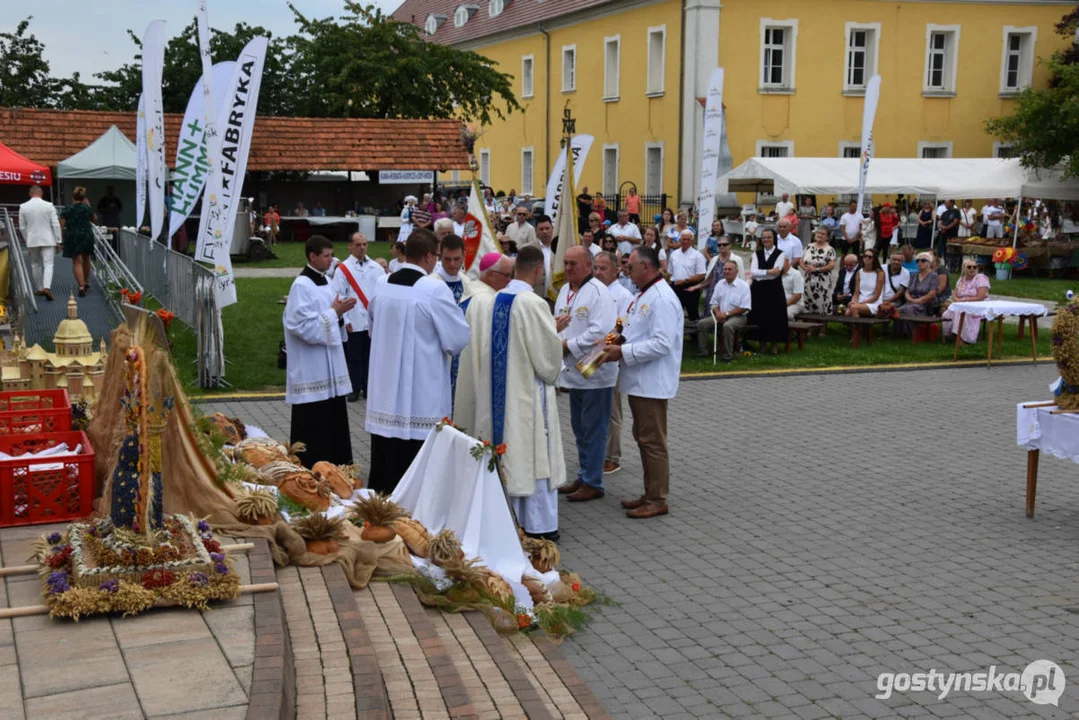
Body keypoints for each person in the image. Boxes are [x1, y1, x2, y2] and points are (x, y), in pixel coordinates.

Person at [454, 246, 564, 539]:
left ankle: (507, 517)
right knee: (533, 455)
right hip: (527, 393)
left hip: (502, 392)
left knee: (511, 453)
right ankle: (540, 525)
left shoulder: (497, 299)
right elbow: (547, 360)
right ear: (539, 270)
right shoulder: (532, 302)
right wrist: (556, 343)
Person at [366, 229, 471, 494]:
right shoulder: (433, 289)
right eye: (437, 256)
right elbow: (457, 339)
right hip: (420, 394)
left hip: (384, 391)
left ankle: (380, 508)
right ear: (427, 256)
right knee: (417, 467)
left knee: (385, 462)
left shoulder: (382, 283)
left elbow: (372, 326)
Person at [599, 246, 682, 519]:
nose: (626, 271)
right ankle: (649, 493)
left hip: (652, 382)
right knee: (644, 438)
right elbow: (633, 328)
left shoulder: (663, 298)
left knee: (653, 441)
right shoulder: (643, 294)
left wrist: (622, 352)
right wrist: (618, 339)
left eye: (630, 267)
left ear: (646, 267)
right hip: (639, 380)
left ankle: (658, 498)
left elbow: (661, 344)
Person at [283, 235, 355, 468]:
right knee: (314, 426)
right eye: (326, 255)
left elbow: (330, 316)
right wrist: (334, 313)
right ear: (312, 256)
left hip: (329, 369)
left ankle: (338, 470)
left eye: (331, 255)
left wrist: (341, 314)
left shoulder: (326, 281)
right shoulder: (301, 285)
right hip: (311, 371)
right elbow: (300, 326)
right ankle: (309, 470)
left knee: (333, 422)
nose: (331, 259)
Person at [554, 247, 617, 502]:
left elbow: (599, 331)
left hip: (595, 369)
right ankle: (583, 474)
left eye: (573, 264)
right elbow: (558, 321)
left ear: (587, 265)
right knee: (579, 426)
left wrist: (568, 345)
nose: (568, 268)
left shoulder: (599, 292)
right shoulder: (564, 290)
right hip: (572, 370)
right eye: (566, 263)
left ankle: (594, 481)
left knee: (594, 427)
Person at [593, 251, 632, 475]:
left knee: (612, 410)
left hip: (609, 357)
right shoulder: (591, 292)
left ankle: (612, 455)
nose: (598, 273)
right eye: (595, 268)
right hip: (590, 357)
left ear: (616, 269)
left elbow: (620, 327)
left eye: (603, 268)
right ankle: (595, 453)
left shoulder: (623, 295)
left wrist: (601, 348)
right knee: (593, 410)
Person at [333, 232, 384, 402]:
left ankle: (369, 388)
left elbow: (381, 293)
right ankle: (354, 388)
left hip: (372, 320)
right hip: (353, 318)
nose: (362, 247)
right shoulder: (343, 269)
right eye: (358, 244)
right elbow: (338, 295)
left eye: (364, 244)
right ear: (350, 246)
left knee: (371, 356)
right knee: (354, 356)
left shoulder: (376, 268)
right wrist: (345, 319)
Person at [696, 260, 751, 361]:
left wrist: (726, 314)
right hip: (720, 314)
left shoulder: (743, 286)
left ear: (736, 271)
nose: (726, 271)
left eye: (730, 269)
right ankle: (702, 352)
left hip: (738, 316)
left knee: (728, 326)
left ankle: (727, 355)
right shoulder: (720, 284)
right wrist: (718, 314)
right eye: (725, 269)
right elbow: (714, 302)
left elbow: (745, 307)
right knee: (702, 323)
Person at [749, 228, 789, 355]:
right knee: (760, 316)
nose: (766, 239)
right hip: (758, 291)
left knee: (774, 318)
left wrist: (762, 273)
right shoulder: (756, 254)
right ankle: (762, 345)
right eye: (764, 237)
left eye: (769, 237)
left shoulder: (781, 254)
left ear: (774, 238)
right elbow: (753, 273)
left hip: (774, 290)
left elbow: (777, 273)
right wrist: (768, 271)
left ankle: (774, 347)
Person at [19, 185, 61, 302]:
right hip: (48, 239)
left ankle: (39, 288)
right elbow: (55, 224)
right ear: (41, 193)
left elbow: (22, 227)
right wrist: (58, 240)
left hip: (32, 239)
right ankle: (47, 287)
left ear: (30, 193)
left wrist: (27, 239)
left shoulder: (23, 207)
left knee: (35, 264)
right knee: (48, 264)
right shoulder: (49, 205)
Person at [59, 186, 96, 296]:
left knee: (76, 261)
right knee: (86, 258)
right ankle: (86, 281)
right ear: (84, 198)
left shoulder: (67, 208)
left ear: (73, 197)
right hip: (86, 234)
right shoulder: (86, 208)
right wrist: (88, 205)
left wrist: (60, 239)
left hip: (72, 235)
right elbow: (94, 218)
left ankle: (81, 286)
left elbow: (61, 224)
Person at [942, 260, 991, 342]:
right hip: (962, 304)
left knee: (961, 312)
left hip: (978, 305)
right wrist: (957, 300)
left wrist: (964, 300)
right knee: (948, 313)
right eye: (969, 267)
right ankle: (947, 335)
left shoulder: (981, 278)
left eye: (974, 267)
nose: (972, 269)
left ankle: (961, 338)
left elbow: (981, 297)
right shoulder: (961, 279)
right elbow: (955, 294)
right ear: (964, 268)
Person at [667, 229, 706, 321]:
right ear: (680, 240)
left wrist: (686, 281)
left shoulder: (698, 256)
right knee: (674, 314)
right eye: (683, 239)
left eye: (688, 239)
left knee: (693, 315)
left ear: (692, 241)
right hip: (675, 287)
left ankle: (695, 335)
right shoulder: (674, 254)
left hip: (690, 288)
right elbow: (669, 272)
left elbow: (701, 275)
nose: (685, 241)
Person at [897, 252, 940, 332]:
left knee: (909, 309)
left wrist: (917, 301)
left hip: (926, 304)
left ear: (929, 263)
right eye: (917, 261)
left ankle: (912, 332)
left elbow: (932, 294)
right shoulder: (914, 275)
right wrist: (910, 299)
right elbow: (908, 291)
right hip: (912, 302)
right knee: (899, 310)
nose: (919, 262)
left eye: (923, 260)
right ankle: (900, 332)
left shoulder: (933, 276)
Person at [801, 228, 836, 315]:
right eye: (818, 233)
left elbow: (832, 265)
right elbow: (800, 260)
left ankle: (821, 325)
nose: (819, 235)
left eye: (823, 234)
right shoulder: (809, 246)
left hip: (822, 281)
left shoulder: (829, 249)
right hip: (808, 279)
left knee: (821, 303)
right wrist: (805, 268)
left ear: (827, 237)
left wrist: (816, 269)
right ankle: (808, 325)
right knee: (808, 302)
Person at [432, 234, 472, 303]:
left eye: (456, 259)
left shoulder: (467, 282)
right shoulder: (431, 282)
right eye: (447, 259)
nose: (452, 264)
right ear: (440, 256)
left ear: (464, 256)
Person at [846, 250, 884, 318]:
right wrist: (853, 302)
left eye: (870, 257)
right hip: (861, 301)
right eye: (865, 256)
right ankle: (860, 327)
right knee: (847, 312)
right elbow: (856, 292)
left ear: (874, 259)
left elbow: (876, 296)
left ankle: (858, 328)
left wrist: (859, 304)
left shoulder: (880, 273)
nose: (867, 258)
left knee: (854, 309)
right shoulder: (859, 272)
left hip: (874, 303)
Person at [879, 252, 910, 319]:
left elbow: (900, 292)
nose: (896, 262)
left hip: (894, 302)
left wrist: (887, 301)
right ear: (890, 260)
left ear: (902, 262)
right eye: (894, 259)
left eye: (899, 260)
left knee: (886, 308)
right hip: (878, 299)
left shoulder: (905, 273)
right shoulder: (882, 268)